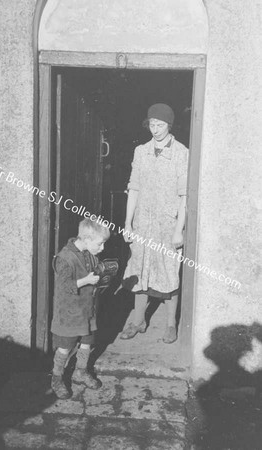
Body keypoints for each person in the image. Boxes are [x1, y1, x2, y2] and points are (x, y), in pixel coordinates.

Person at [120, 103, 188, 344]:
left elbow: (184, 196)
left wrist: (178, 230)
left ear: (169, 125)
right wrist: (128, 223)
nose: (155, 130)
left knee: (169, 272)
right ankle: (138, 321)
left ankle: (171, 325)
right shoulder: (141, 151)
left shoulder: (182, 152)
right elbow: (134, 188)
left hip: (167, 226)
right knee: (139, 271)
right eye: (152, 124)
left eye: (160, 125)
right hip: (142, 224)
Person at [50, 218, 110, 399]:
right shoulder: (65, 258)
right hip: (69, 313)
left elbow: (94, 270)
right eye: (100, 244)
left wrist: (103, 274)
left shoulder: (90, 254)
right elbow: (64, 286)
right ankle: (57, 377)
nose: (102, 248)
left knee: (87, 342)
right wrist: (87, 281)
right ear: (86, 238)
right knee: (65, 347)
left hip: (87, 310)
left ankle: (80, 372)